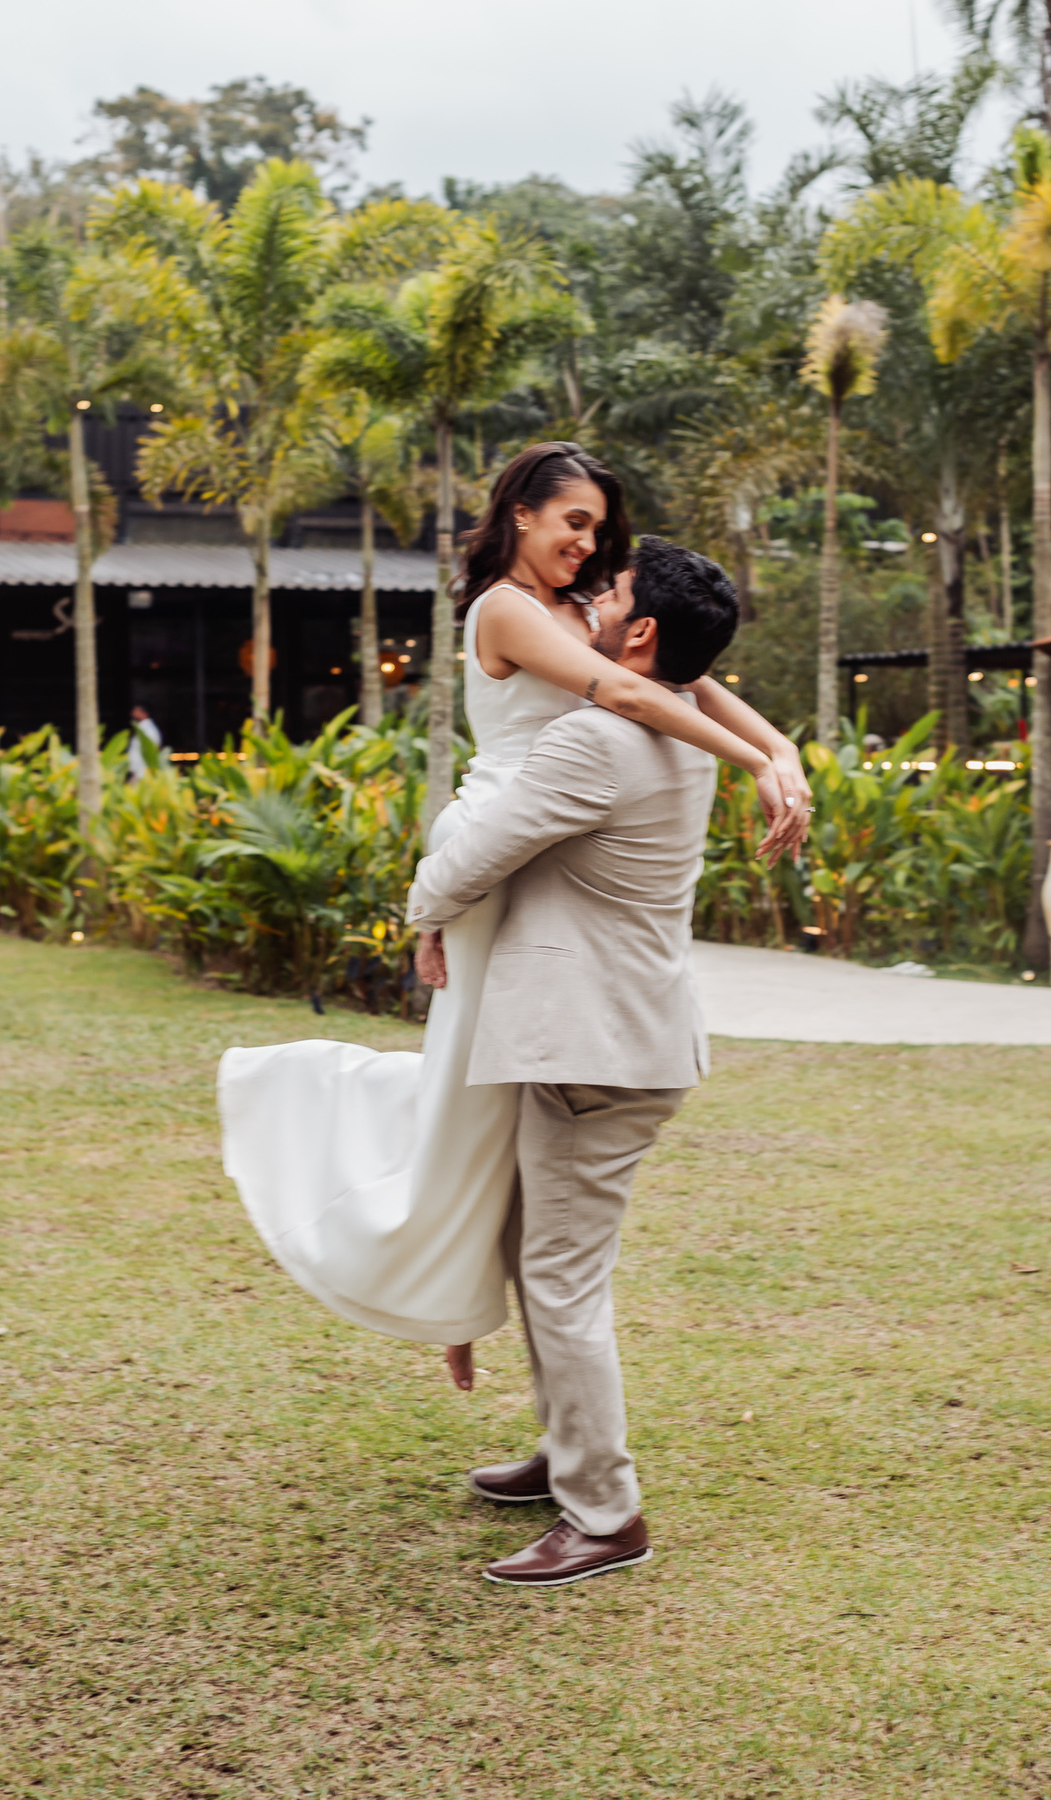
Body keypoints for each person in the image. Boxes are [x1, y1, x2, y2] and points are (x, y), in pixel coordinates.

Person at [218, 443, 810, 1372]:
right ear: (522, 513)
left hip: (540, 851)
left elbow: (691, 680)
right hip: (494, 844)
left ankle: (455, 1298)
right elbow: (631, 690)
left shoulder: (590, 607)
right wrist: (748, 765)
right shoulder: (504, 608)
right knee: (468, 1095)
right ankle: (441, 1295)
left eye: (599, 530)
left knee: (489, 1098)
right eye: (574, 522)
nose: (588, 545)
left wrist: (785, 755)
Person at [406, 536, 736, 1585]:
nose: (591, 600)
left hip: (598, 1049)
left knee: (560, 1276)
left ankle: (604, 1512)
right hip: (621, 1037)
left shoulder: (598, 740)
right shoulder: (677, 731)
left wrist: (421, 911)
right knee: (536, 1253)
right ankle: (566, 1450)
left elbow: (481, 849)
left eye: (614, 593)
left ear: (641, 634)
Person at [127, 704, 162, 781]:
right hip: (137, 772)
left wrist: (144, 772)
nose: (132, 714)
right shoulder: (141, 728)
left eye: (136, 712)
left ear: (145, 714)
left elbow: (151, 752)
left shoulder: (149, 730)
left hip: (143, 773)